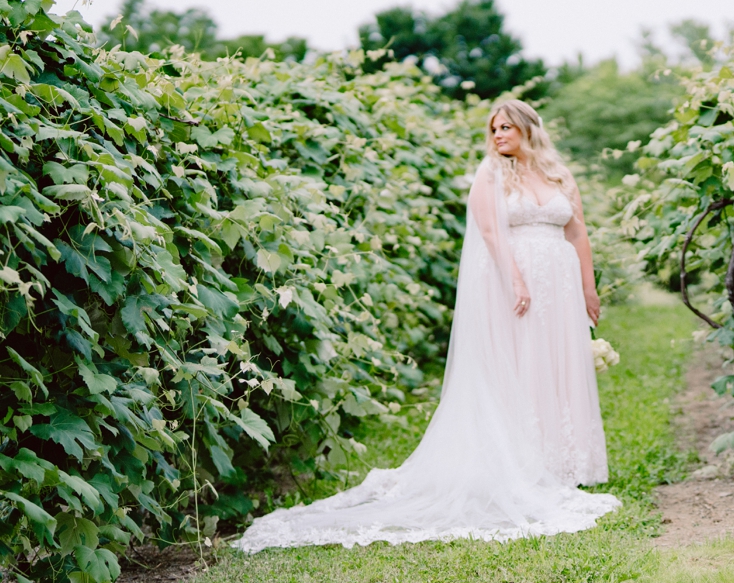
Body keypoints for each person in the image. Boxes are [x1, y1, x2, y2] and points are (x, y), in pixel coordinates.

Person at [233, 100, 617, 552]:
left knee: (556, 367)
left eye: (506, 128)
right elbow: (491, 234)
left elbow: (577, 234)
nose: (497, 136)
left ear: (529, 129)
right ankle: (527, 466)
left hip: (561, 282)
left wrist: (588, 289)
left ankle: (564, 465)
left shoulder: (559, 175)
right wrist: (514, 278)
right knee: (523, 366)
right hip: (518, 283)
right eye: (493, 129)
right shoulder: (491, 173)